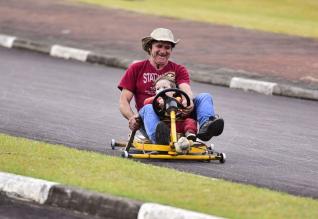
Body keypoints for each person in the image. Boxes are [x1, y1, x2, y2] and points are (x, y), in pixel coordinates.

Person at [118, 27, 224, 144]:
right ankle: (159, 136)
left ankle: (207, 127)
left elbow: (186, 89)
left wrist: (188, 100)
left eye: (167, 47)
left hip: (177, 117)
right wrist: (131, 118)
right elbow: (124, 100)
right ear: (150, 47)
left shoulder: (178, 69)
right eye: (159, 46)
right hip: (149, 119)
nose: (163, 51)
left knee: (205, 96)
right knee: (148, 108)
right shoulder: (136, 68)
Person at [143, 72, 197, 142]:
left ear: (173, 91)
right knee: (159, 126)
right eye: (158, 89)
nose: (161, 90)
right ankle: (163, 138)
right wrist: (157, 101)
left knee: (190, 121)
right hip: (165, 126)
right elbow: (146, 102)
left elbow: (185, 108)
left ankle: (189, 134)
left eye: (164, 87)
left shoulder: (178, 99)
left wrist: (184, 104)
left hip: (179, 123)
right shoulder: (156, 100)